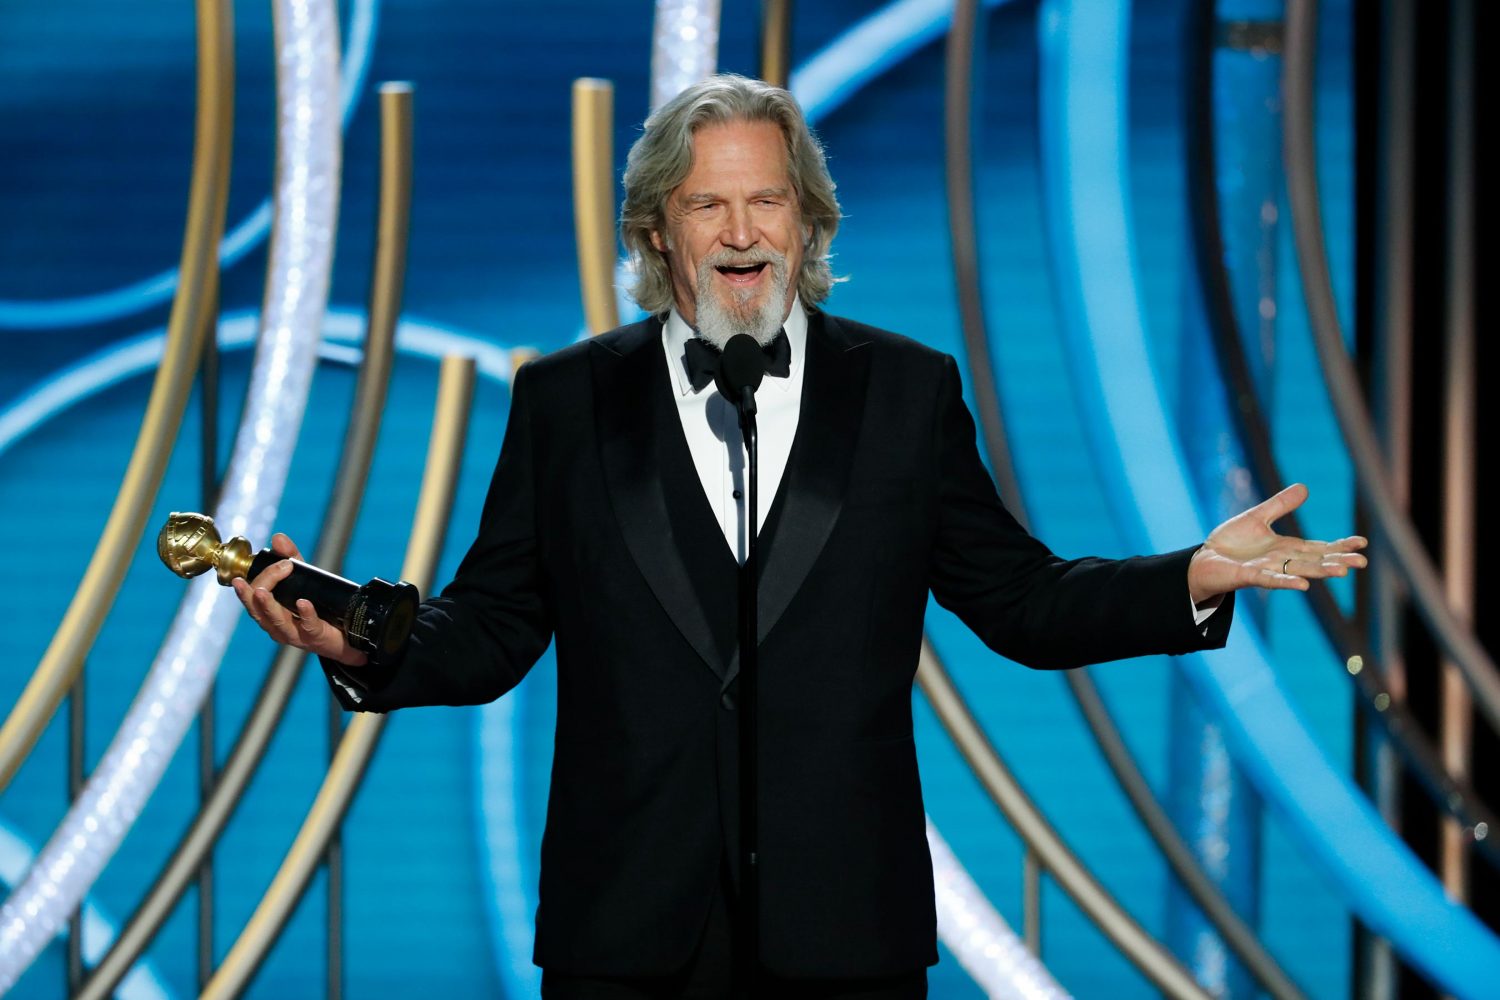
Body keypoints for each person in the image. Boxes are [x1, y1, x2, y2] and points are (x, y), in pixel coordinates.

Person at [233, 74, 1367, 999]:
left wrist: (1194, 575)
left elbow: (1024, 602)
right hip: (627, 935)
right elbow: (491, 628)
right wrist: (361, 645)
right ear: (655, 229)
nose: (740, 233)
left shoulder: (906, 393)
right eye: (707, 205)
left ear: (808, 219)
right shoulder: (566, 402)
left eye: (767, 201)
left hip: (847, 937)